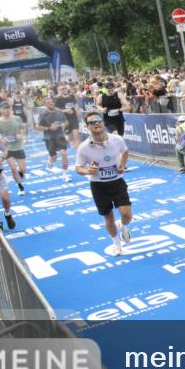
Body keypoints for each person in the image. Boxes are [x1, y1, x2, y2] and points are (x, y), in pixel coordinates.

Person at [75, 113, 132, 255]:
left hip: (117, 182)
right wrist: (88, 171)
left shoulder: (116, 139)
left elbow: (125, 152)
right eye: (92, 122)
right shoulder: (84, 147)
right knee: (109, 217)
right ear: (88, 127)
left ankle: (124, 227)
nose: (96, 123)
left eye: (98, 120)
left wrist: (122, 165)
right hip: (98, 186)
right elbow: (78, 168)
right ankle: (116, 243)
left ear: (103, 123)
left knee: (126, 215)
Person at [35, 97, 72, 182]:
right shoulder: (42, 114)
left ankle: (65, 175)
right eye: (48, 103)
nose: (51, 104)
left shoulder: (59, 111)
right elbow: (37, 127)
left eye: (52, 102)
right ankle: (50, 160)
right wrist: (49, 128)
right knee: (54, 157)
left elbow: (66, 122)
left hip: (60, 135)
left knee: (64, 153)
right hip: (49, 138)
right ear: (45, 104)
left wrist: (63, 125)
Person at [0, 102, 26, 194]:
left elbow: (22, 128)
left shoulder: (17, 118)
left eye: (8, 108)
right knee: (13, 168)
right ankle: (20, 187)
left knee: (22, 169)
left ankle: (21, 175)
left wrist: (21, 134)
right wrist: (1, 139)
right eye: (4, 108)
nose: (6, 110)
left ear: (10, 108)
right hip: (7, 149)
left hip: (18, 146)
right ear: (0, 110)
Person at [54, 84, 81, 148]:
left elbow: (76, 104)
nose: (64, 90)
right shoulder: (58, 99)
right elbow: (56, 110)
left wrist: (77, 109)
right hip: (65, 120)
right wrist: (65, 110)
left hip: (74, 118)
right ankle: (60, 141)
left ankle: (80, 150)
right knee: (69, 138)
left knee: (76, 133)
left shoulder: (71, 96)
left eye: (65, 88)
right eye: (62, 89)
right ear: (59, 91)